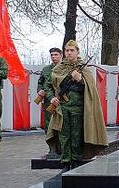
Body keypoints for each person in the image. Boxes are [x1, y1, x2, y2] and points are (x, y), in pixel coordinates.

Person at [45, 40, 107, 171]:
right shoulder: (58, 68)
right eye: (67, 50)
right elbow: (49, 86)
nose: (69, 53)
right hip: (62, 108)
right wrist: (52, 98)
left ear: (77, 52)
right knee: (64, 135)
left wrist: (80, 79)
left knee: (77, 135)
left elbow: (91, 89)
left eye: (72, 50)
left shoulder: (84, 69)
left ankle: (77, 161)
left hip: (79, 108)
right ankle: (66, 162)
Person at [37, 47, 62, 159]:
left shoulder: (64, 68)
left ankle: (61, 150)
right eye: (52, 55)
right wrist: (40, 90)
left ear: (61, 55)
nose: (53, 57)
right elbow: (41, 82)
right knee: (48, 126)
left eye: (56, 54)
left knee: (60, 126)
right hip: (48, 102)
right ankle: (52, 150)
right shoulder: (46, 70)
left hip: (61, 102)